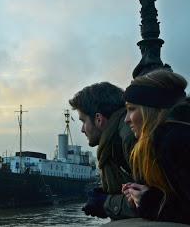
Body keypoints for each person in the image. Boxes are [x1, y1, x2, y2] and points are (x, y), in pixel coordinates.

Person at [122, 69, 190, 224]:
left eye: (132, 109)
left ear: (153, 109)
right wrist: (140, 196)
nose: (126, 119)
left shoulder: (175, 141)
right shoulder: (169, 138)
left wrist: (149, 202)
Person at [69, 82, 137, 220]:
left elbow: (152, 201)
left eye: (83, 121)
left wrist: (106, 202)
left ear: (98, 119)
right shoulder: (117, 138)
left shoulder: (127, 141)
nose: (82, 129)